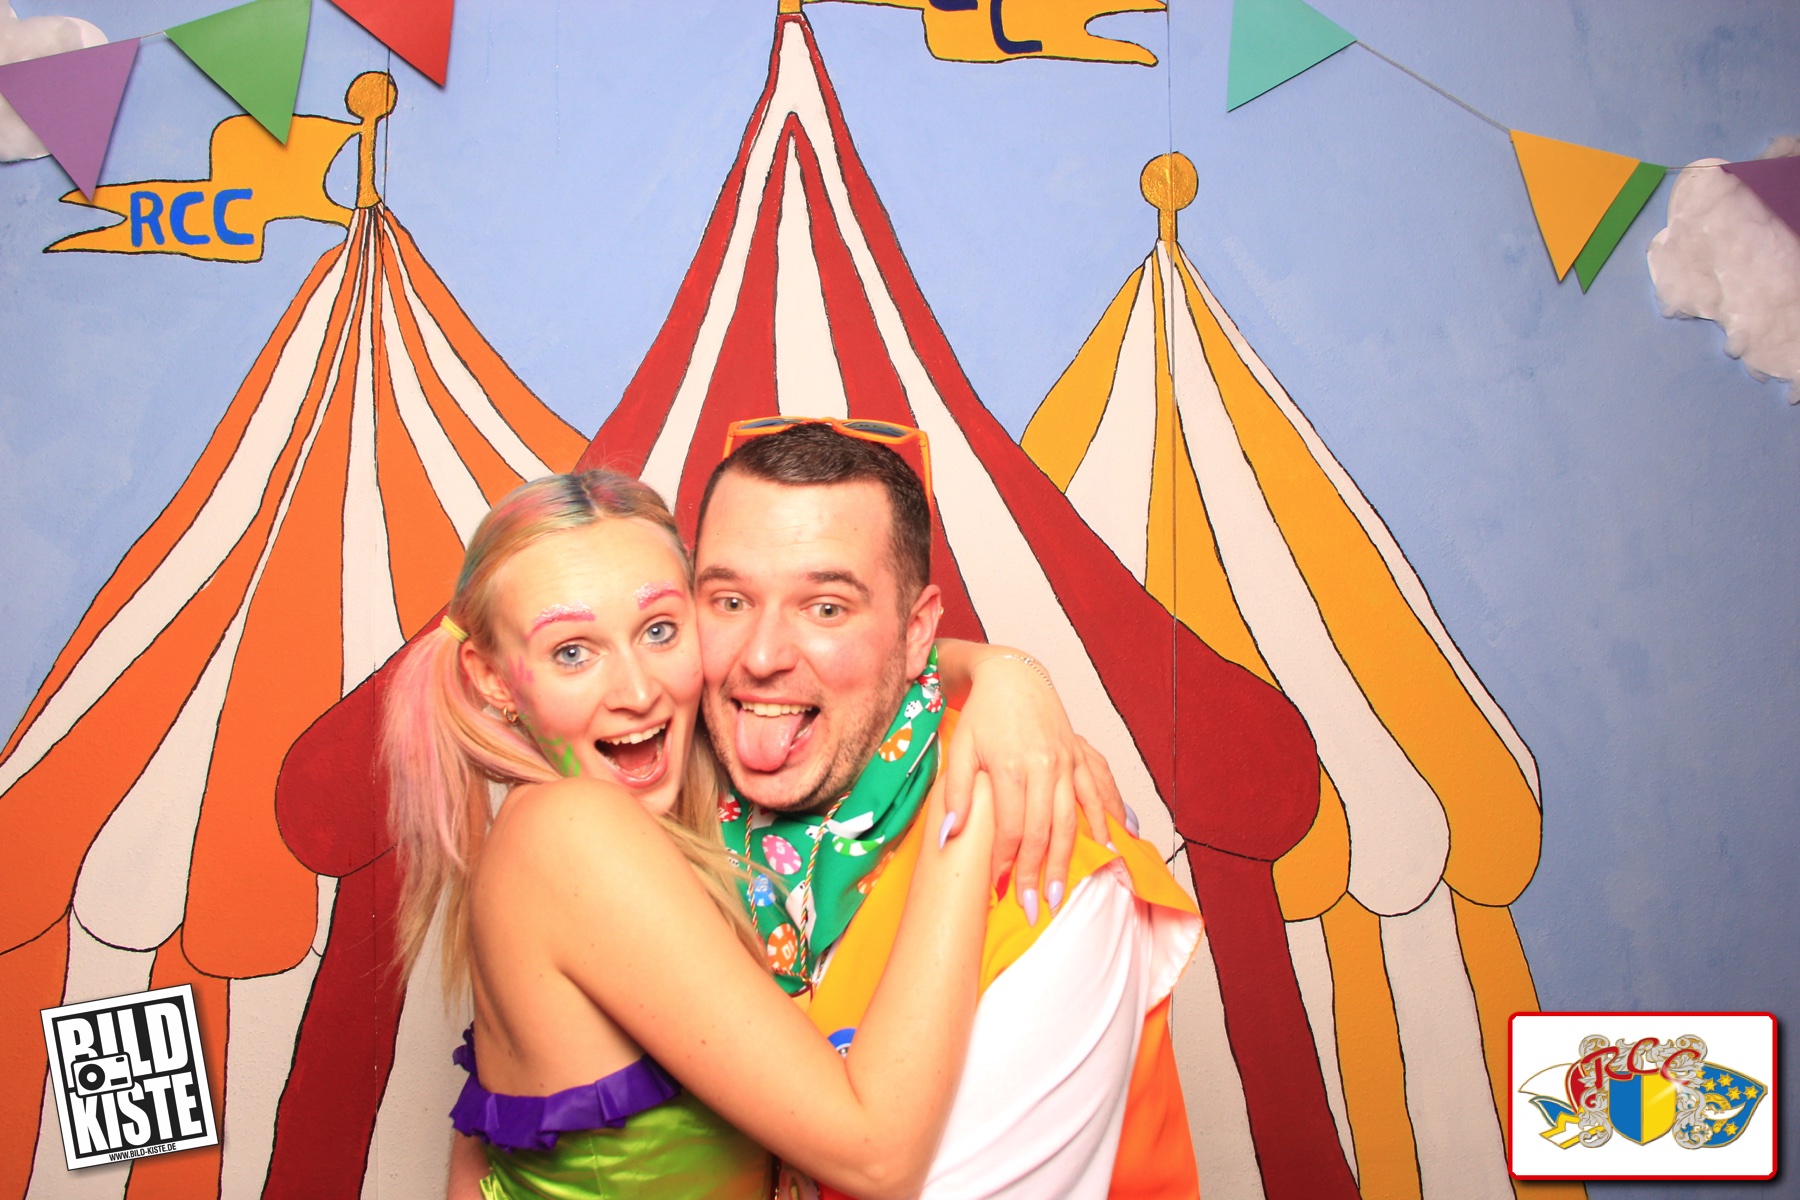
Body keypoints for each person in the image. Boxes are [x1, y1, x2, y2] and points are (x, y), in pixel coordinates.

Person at [393, 470, 1097, 1199]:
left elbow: (851, 663)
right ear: (492, 679)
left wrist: (1005, 675)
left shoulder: (581, 826)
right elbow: (877, 1157)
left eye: (660, 630)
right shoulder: (574, 830)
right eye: (573, 652)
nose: (638, 691)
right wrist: (974, 788)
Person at [690, 419, 1203, 1198]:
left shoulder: (1050, 865)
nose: (761, 657)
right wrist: (999, 667)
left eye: (825, 609)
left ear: (916, 633)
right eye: (730, 600)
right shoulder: (667, 801)